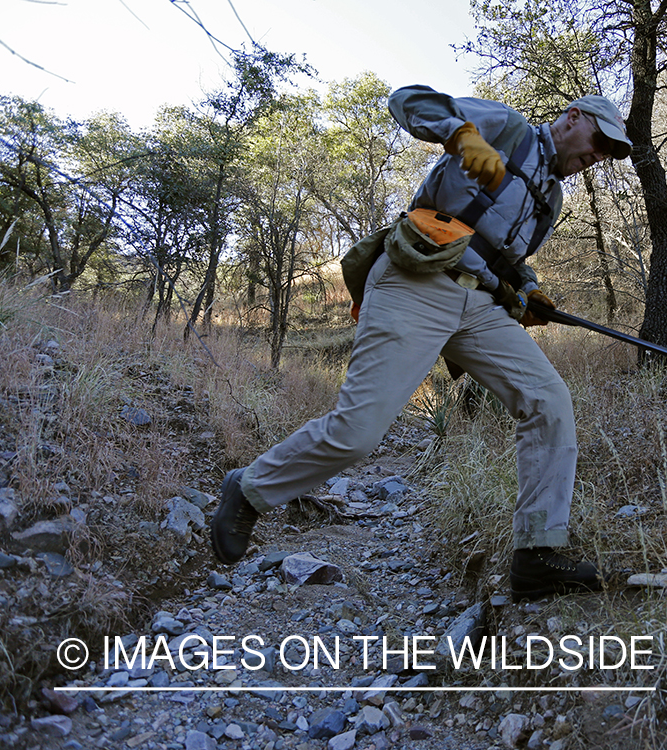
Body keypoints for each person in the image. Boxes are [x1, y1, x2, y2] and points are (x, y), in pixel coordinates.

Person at [210, 85, 632, 601]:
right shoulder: (508, 128)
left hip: (478, 304)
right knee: (359, 432)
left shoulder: (553, 197)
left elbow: (499, 253)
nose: (600, 154)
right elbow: (408, 100)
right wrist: (461, 133)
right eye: (600, 139)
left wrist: (527, 289)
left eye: (610, 152)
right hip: (416, 280)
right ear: (571, 118)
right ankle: (250, 490)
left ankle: (536, 556)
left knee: (549, 401)